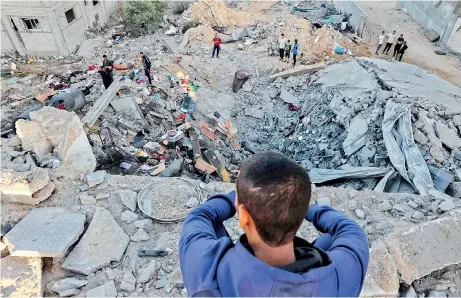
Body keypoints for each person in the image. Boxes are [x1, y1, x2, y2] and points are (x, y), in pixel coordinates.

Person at [179, 152, 369, 296]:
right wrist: (301, 207)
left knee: (213, 228)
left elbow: (200, 217)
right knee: (328, 241)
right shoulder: (342, 275)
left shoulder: (207, 270)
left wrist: (237, 198)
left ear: (243, 214)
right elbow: (350, 230)